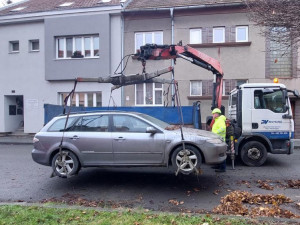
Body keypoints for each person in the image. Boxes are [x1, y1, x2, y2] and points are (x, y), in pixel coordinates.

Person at [211, 108, 227, 172]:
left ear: (216, 114)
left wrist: (215, 133)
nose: (212, 115)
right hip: (217, 139)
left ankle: (223, 168)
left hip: (220, 139)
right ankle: (218, 165)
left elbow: (223, 128)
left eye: (213, 114)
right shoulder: (217, 120)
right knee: (218, 153)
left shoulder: (220, 120)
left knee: (221, 154)